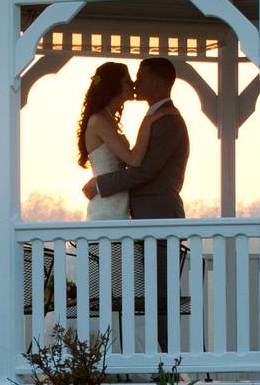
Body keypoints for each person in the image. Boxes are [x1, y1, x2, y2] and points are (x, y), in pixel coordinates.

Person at [82, 57, 189, 353]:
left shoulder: (168, 119)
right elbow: (136, 163)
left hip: (159, 217)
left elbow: (143, 170)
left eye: (140, 77)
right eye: (132, 78)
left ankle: (167, 358)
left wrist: (100, 185)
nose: (136, 83)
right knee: (142, 294)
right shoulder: (152, 117)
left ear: (156, 80)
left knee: (160, 294)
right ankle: (133, 355)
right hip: (138, 220)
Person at [77, 61, 169, 221]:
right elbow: (133, 159)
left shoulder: (108, 119)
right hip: (106, 209)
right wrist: (147, 123)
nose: (133, 84)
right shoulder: (99, 120)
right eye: (127, 81)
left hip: (118, 205)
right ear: (114, 86)